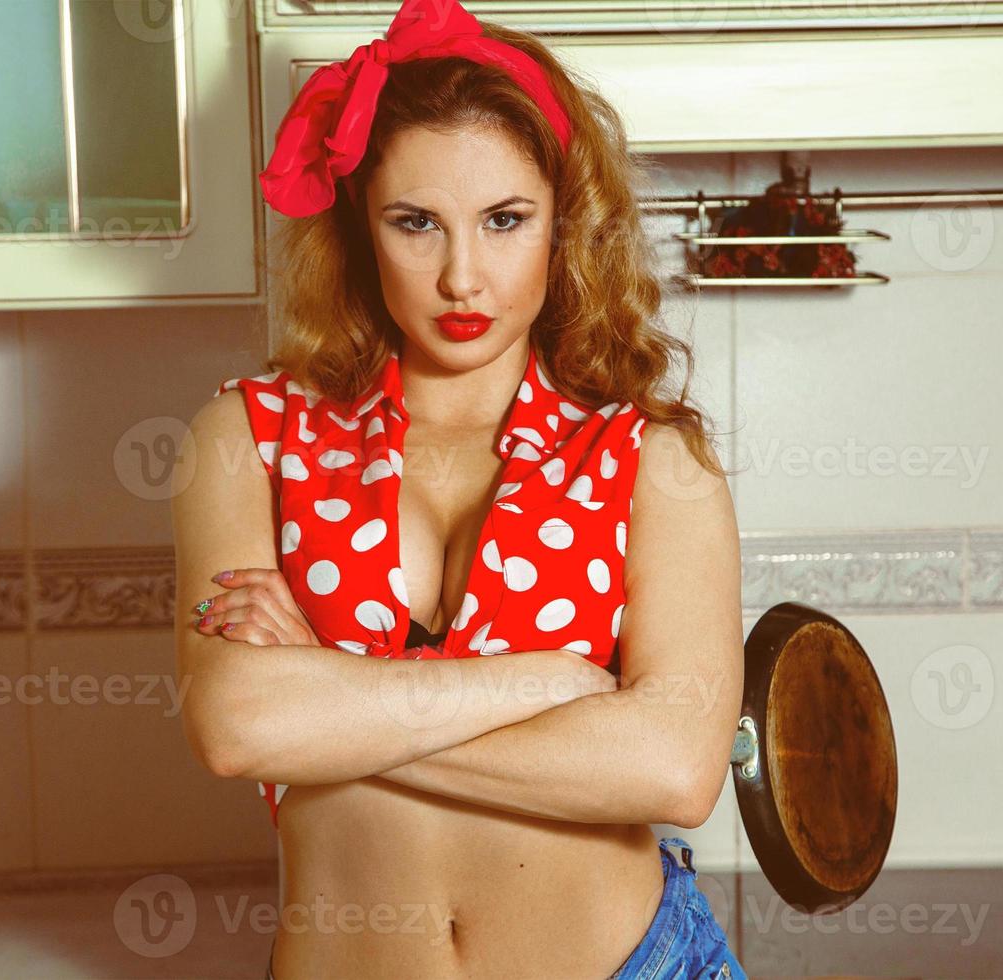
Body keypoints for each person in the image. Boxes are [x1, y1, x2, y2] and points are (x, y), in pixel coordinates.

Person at [170, 0, 746, 975]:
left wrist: (331, 690)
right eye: (417, 223)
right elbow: (236, 726)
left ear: (565, 223)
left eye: (505, 220)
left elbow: (676, 768)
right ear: (362, 223)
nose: (462, 275)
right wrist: (546, 686)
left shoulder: (654, 458)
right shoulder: (244, 439)